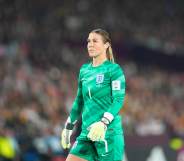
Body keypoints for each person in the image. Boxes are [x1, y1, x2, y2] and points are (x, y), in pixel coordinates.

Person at [61, 28, 126, 161]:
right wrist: (68, 127)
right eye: (88, 41)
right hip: (87, 134)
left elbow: (118, 99)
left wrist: (103, 123)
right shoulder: (84, 70)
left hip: (108, 133)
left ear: (106, 45)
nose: (90, 44)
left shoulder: (114, 69)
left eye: (95, 41)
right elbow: (79, 101)